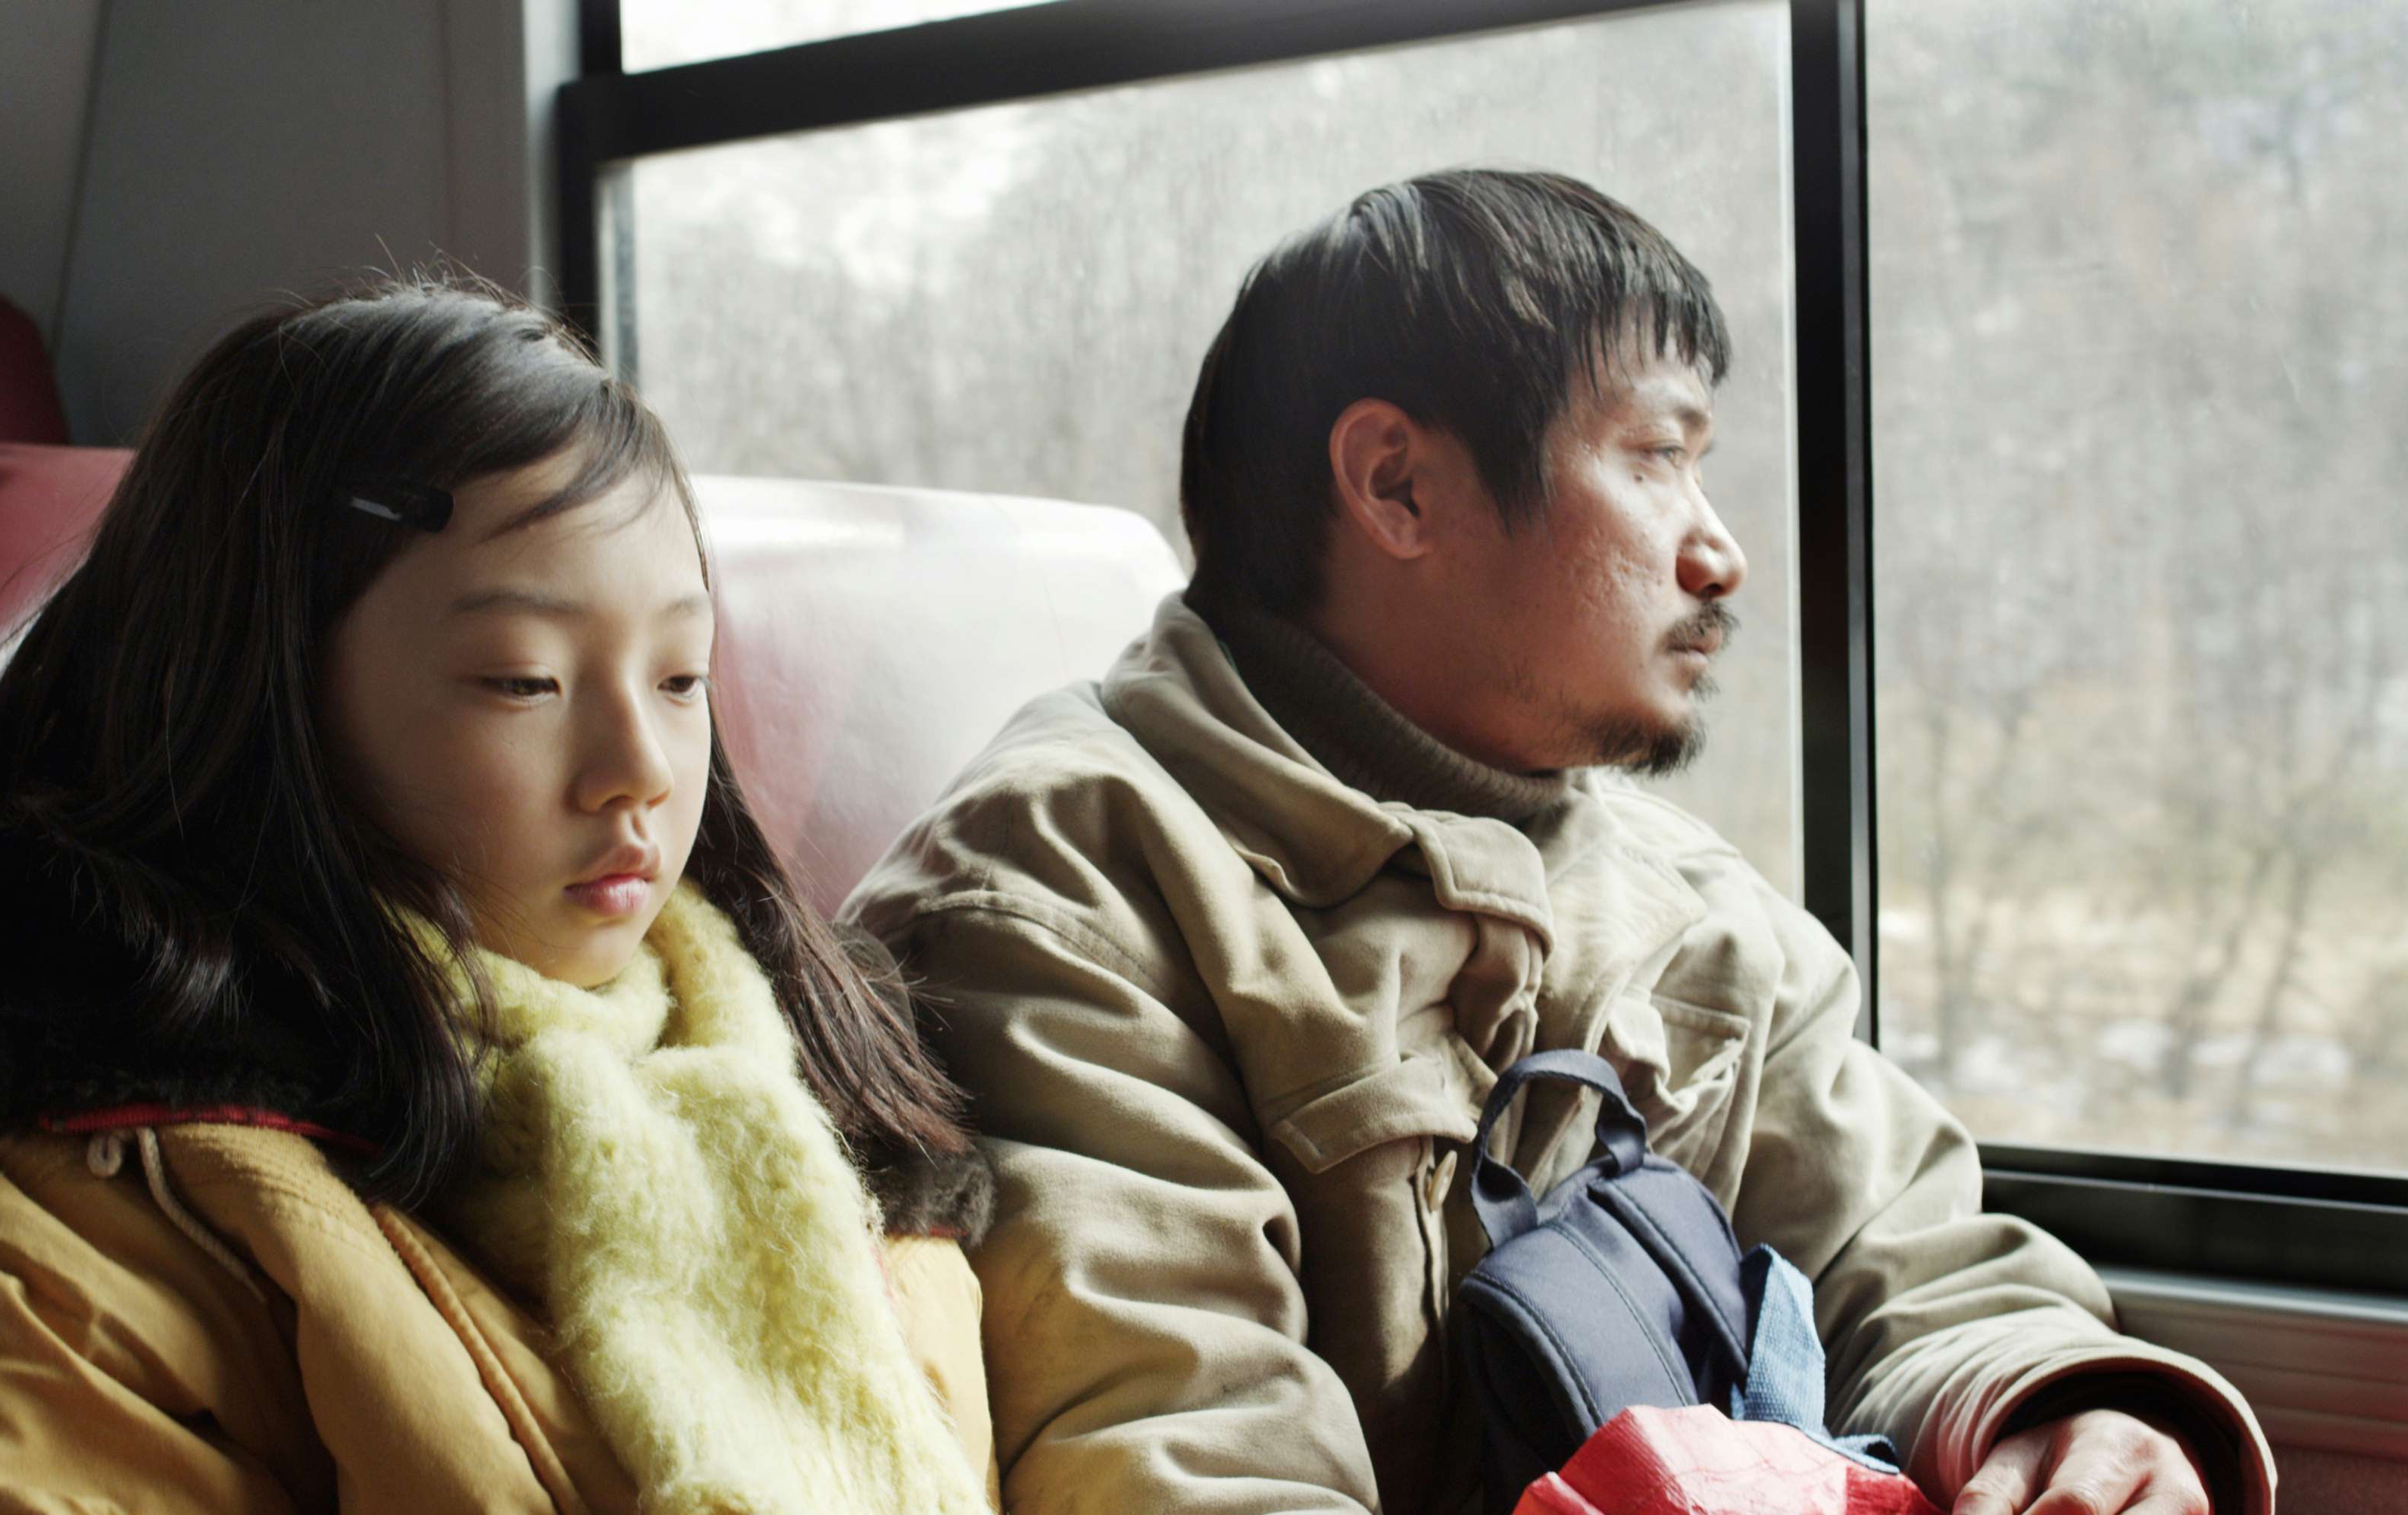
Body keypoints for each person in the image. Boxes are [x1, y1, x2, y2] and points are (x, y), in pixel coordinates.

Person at [842, 169, 2272, 1515]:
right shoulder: (1061, 894)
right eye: (1657, 459)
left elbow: (1898, 1249)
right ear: (1397, 486)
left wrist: (2051, 1411)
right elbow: (1181, 1445)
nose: (1720, 553)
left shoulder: (1683, 900)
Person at [0, 277, 999, 1513]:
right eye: (522, 681)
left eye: (681, 678)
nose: (642, 770)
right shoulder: (79, 1185)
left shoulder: (822, 1103)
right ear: (264, 701)